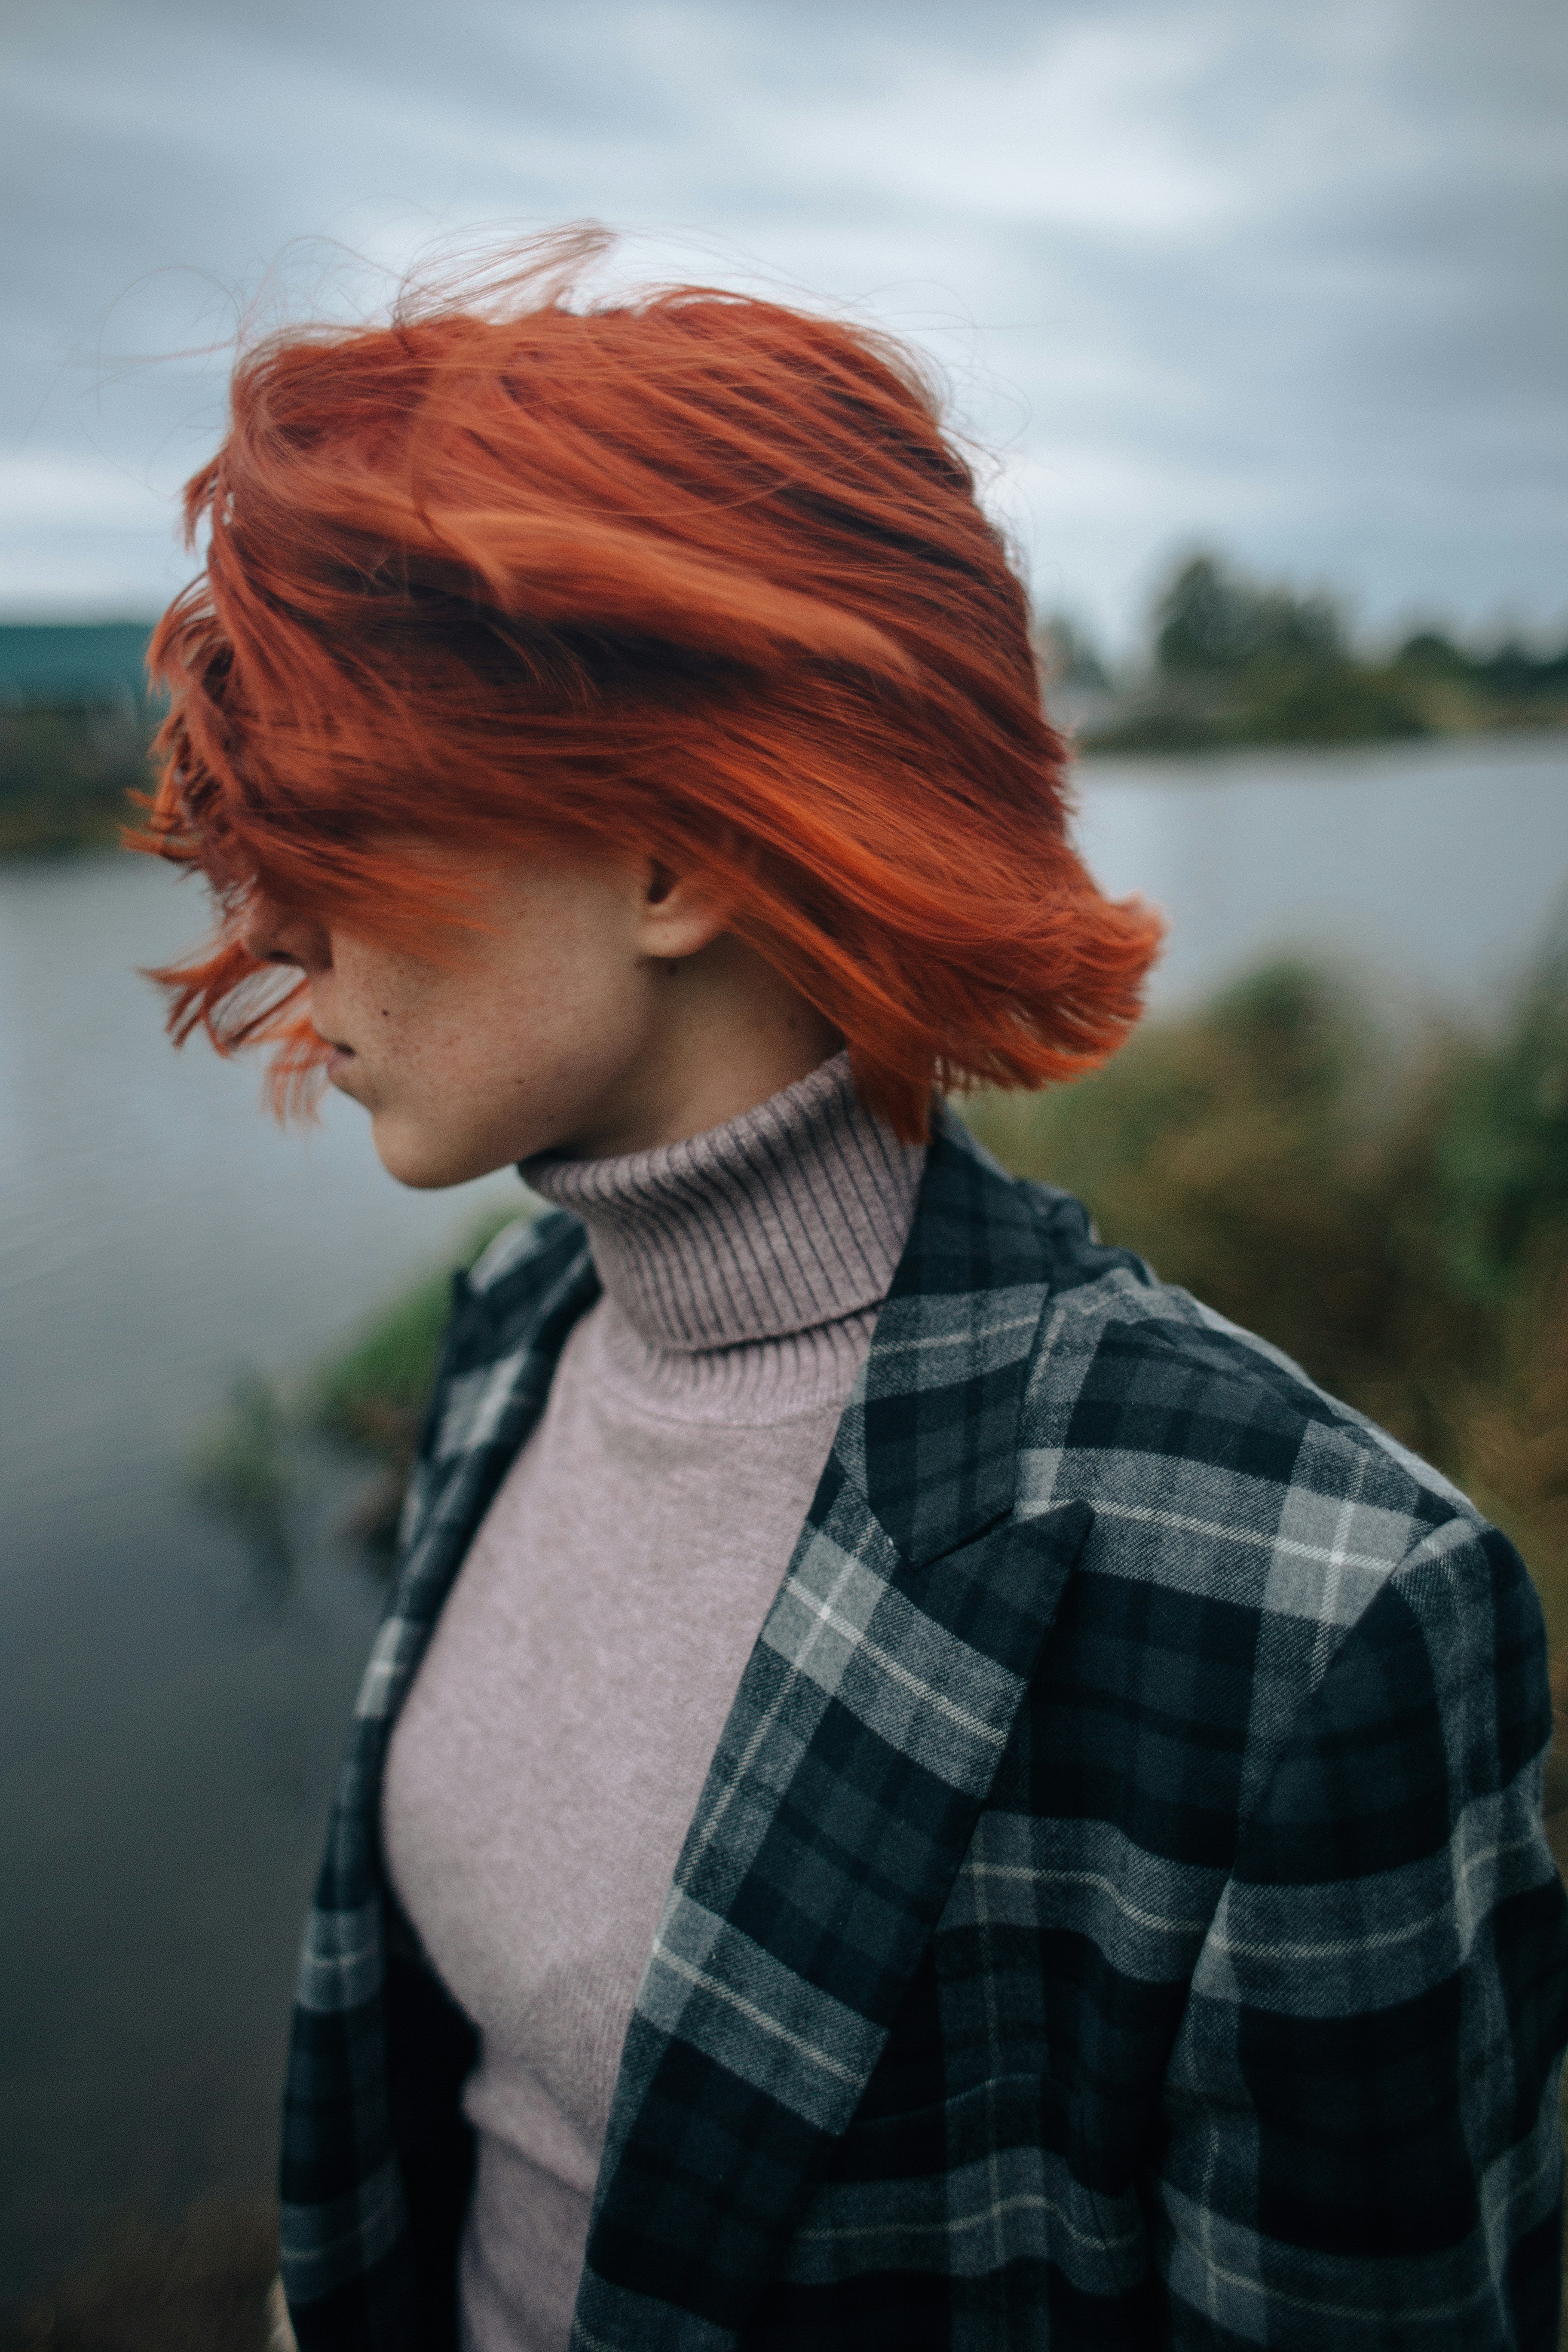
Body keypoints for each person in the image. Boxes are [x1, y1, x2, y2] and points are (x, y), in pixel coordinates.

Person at [142, 235, 1567, 2352]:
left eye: (345, 835)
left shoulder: (1318, 1619)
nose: (274, 930)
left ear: (672, 858)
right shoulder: (515, 1343)